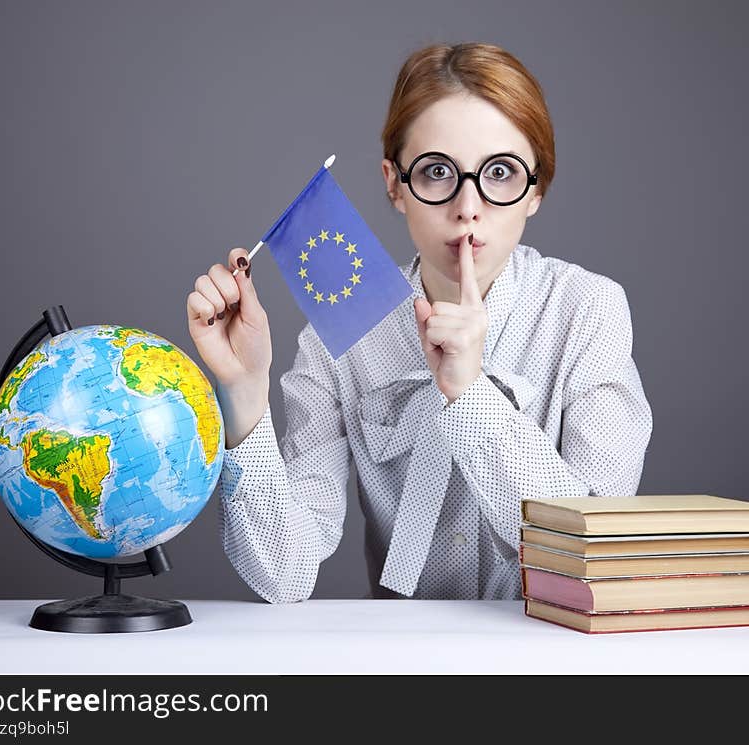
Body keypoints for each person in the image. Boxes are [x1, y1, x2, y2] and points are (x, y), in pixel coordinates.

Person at [186, 42, 653, 603]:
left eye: (500, 173)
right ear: (394, 184)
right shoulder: (345, 334)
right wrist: (243, 391)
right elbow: (284, 574)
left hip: (549, 649)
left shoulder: (587, 311)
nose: (468, 207)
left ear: (537, 189)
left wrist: (469, 393)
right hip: (399, 655)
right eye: (437, 172)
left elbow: (593, 548)